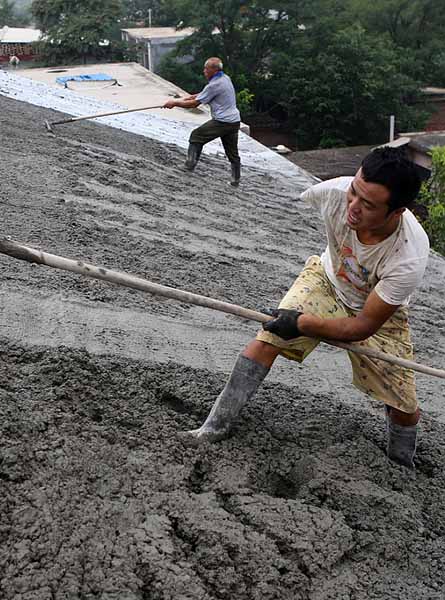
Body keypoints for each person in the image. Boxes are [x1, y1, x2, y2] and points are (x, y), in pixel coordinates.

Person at [178, 145, 430, 469]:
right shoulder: (333, 194)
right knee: (268, 339)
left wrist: (301, 324)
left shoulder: (408, 256)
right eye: (354, 192)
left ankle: (401, 464)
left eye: (368, 205)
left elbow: (362, 327)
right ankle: (213, 428)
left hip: (376, 312)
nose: (353, 207)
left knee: (403, 404)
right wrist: (295, 321)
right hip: (326, 280)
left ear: (397, 212)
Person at [163, 57, 242, 187]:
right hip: (234, 121)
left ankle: (189, 166)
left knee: (196, 136)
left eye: (206, 69)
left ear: (214, 70)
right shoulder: (225, 78)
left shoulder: (214, 85)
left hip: (223, 122)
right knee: (232, 153)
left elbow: (194, 104)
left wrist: (174, 103)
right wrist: (192, 96)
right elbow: (205, 94)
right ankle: (235, 180)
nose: (204, 71)